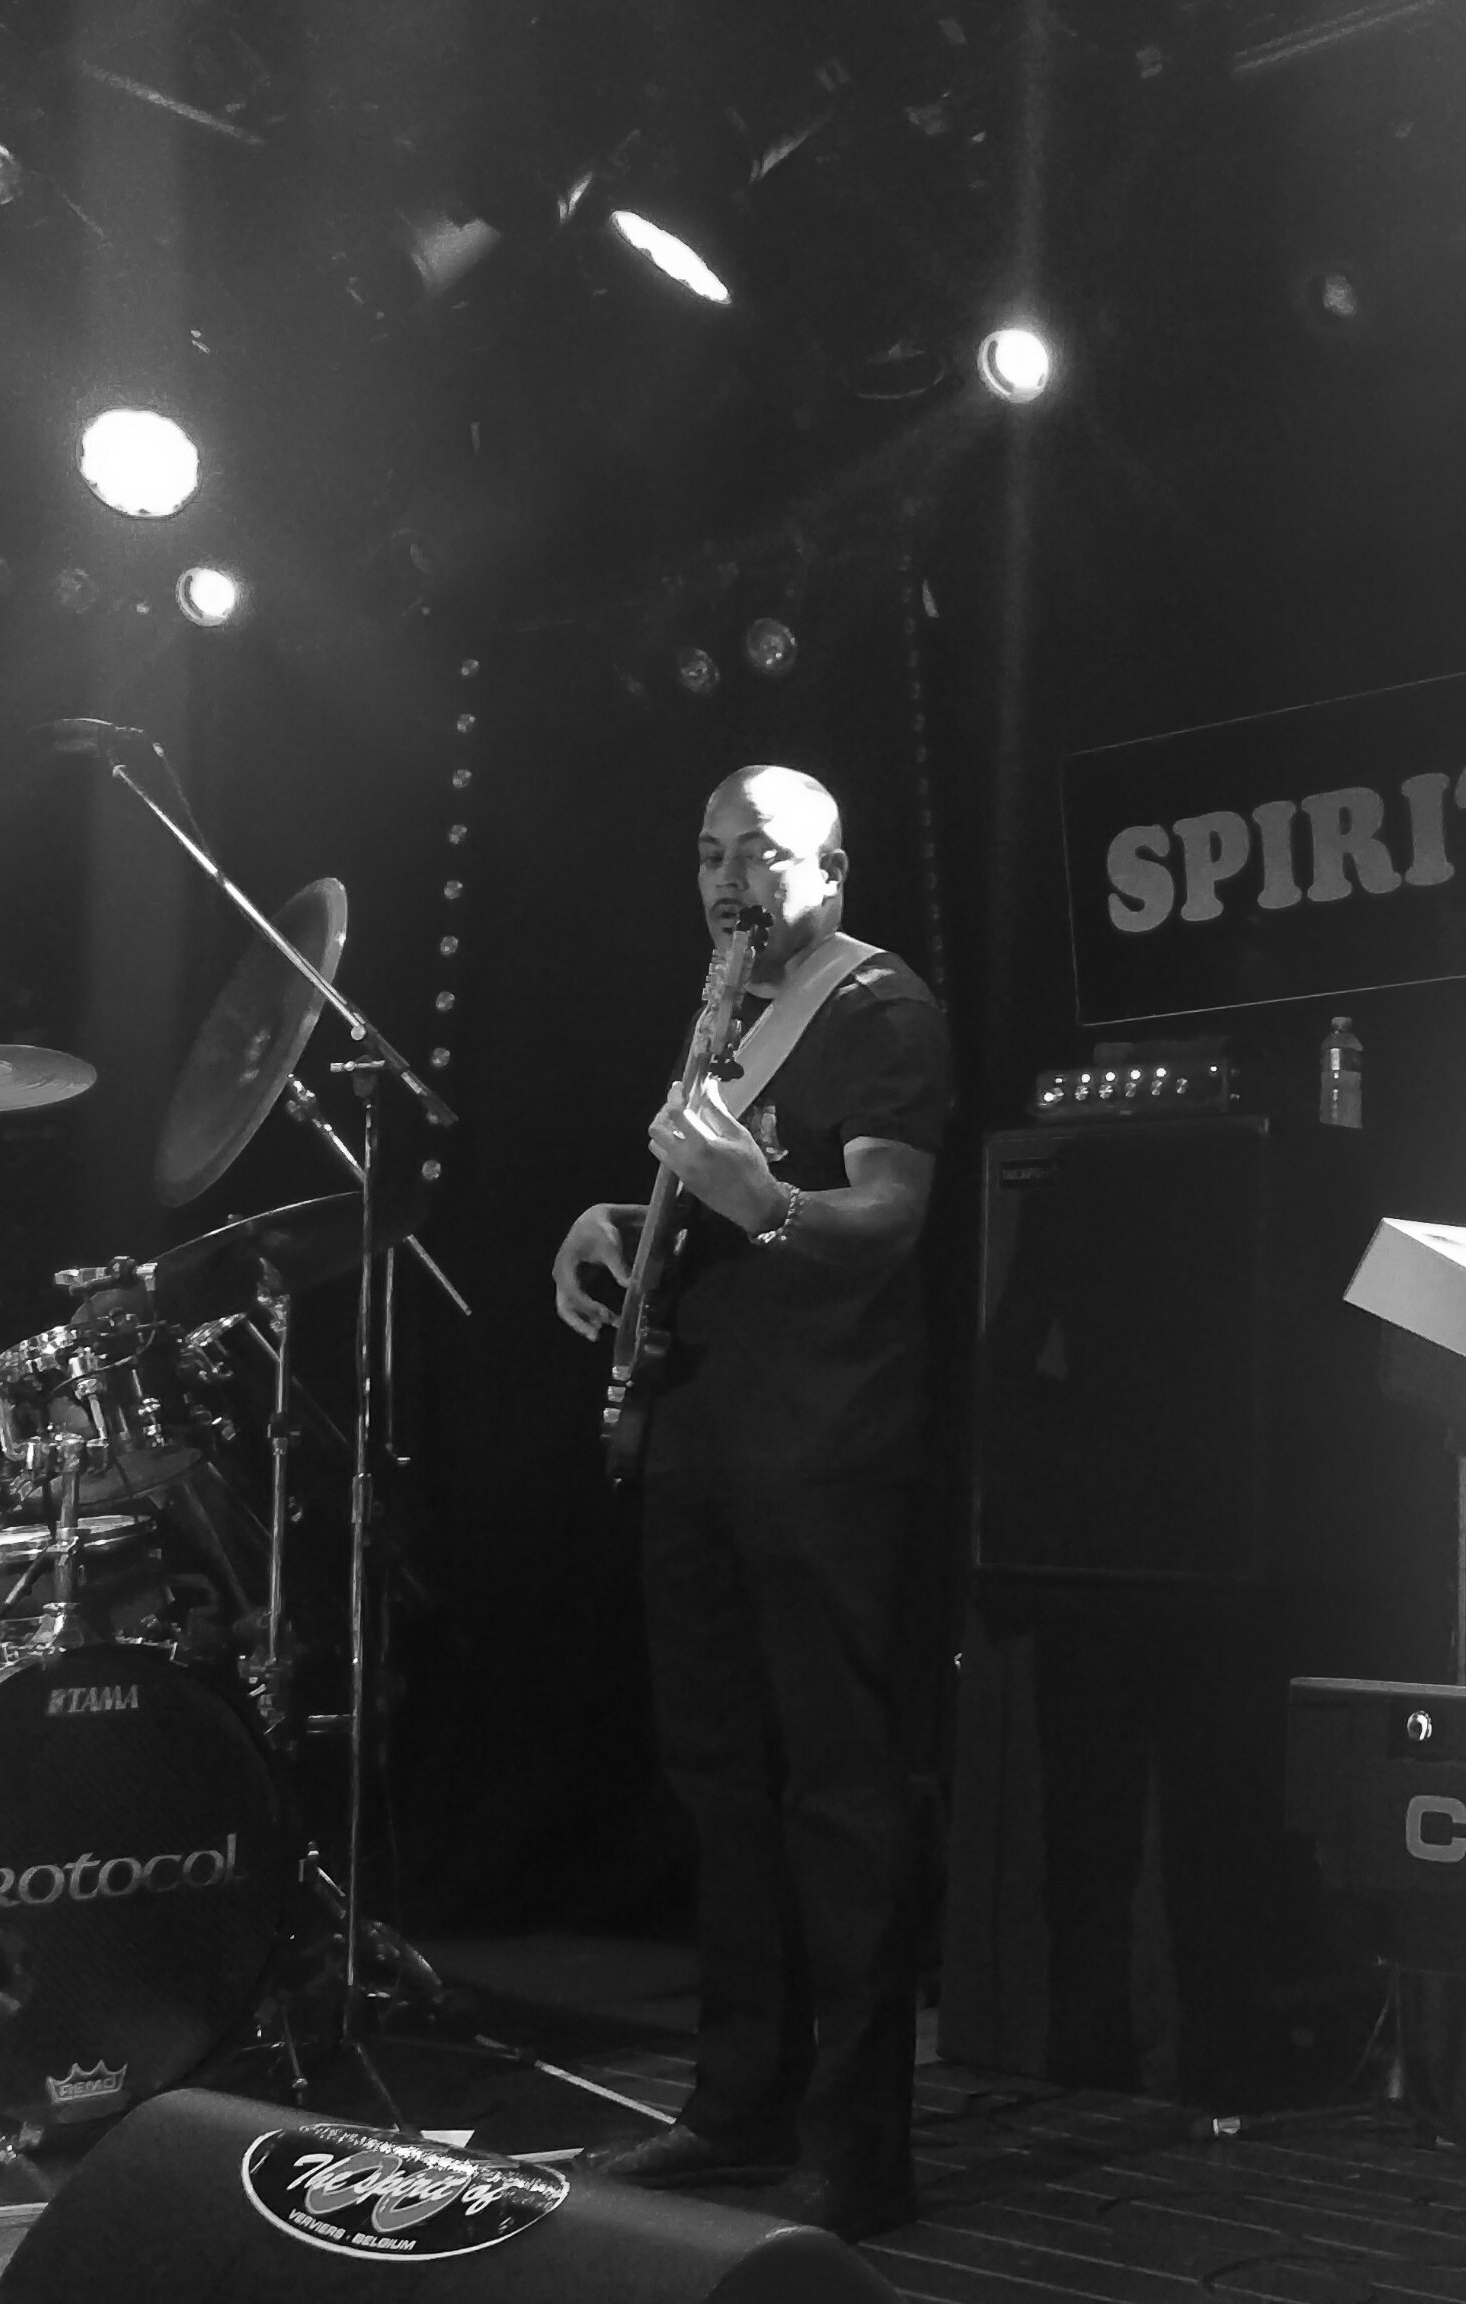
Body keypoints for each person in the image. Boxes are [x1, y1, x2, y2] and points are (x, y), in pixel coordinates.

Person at [548, 764, 950, 2239]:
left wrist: (760, 1202)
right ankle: (736, 2105)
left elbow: (886, 1216)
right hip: (702, 1436)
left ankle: (858, 2148)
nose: (730, 879)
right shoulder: (723, 1007)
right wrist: (620, 1226)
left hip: (824, 1450)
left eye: (761, 854)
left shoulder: (879, 1006)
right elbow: (717, 1201)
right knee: (719, 1781)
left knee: (840, 1792)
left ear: (829, 869)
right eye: (711, 852)